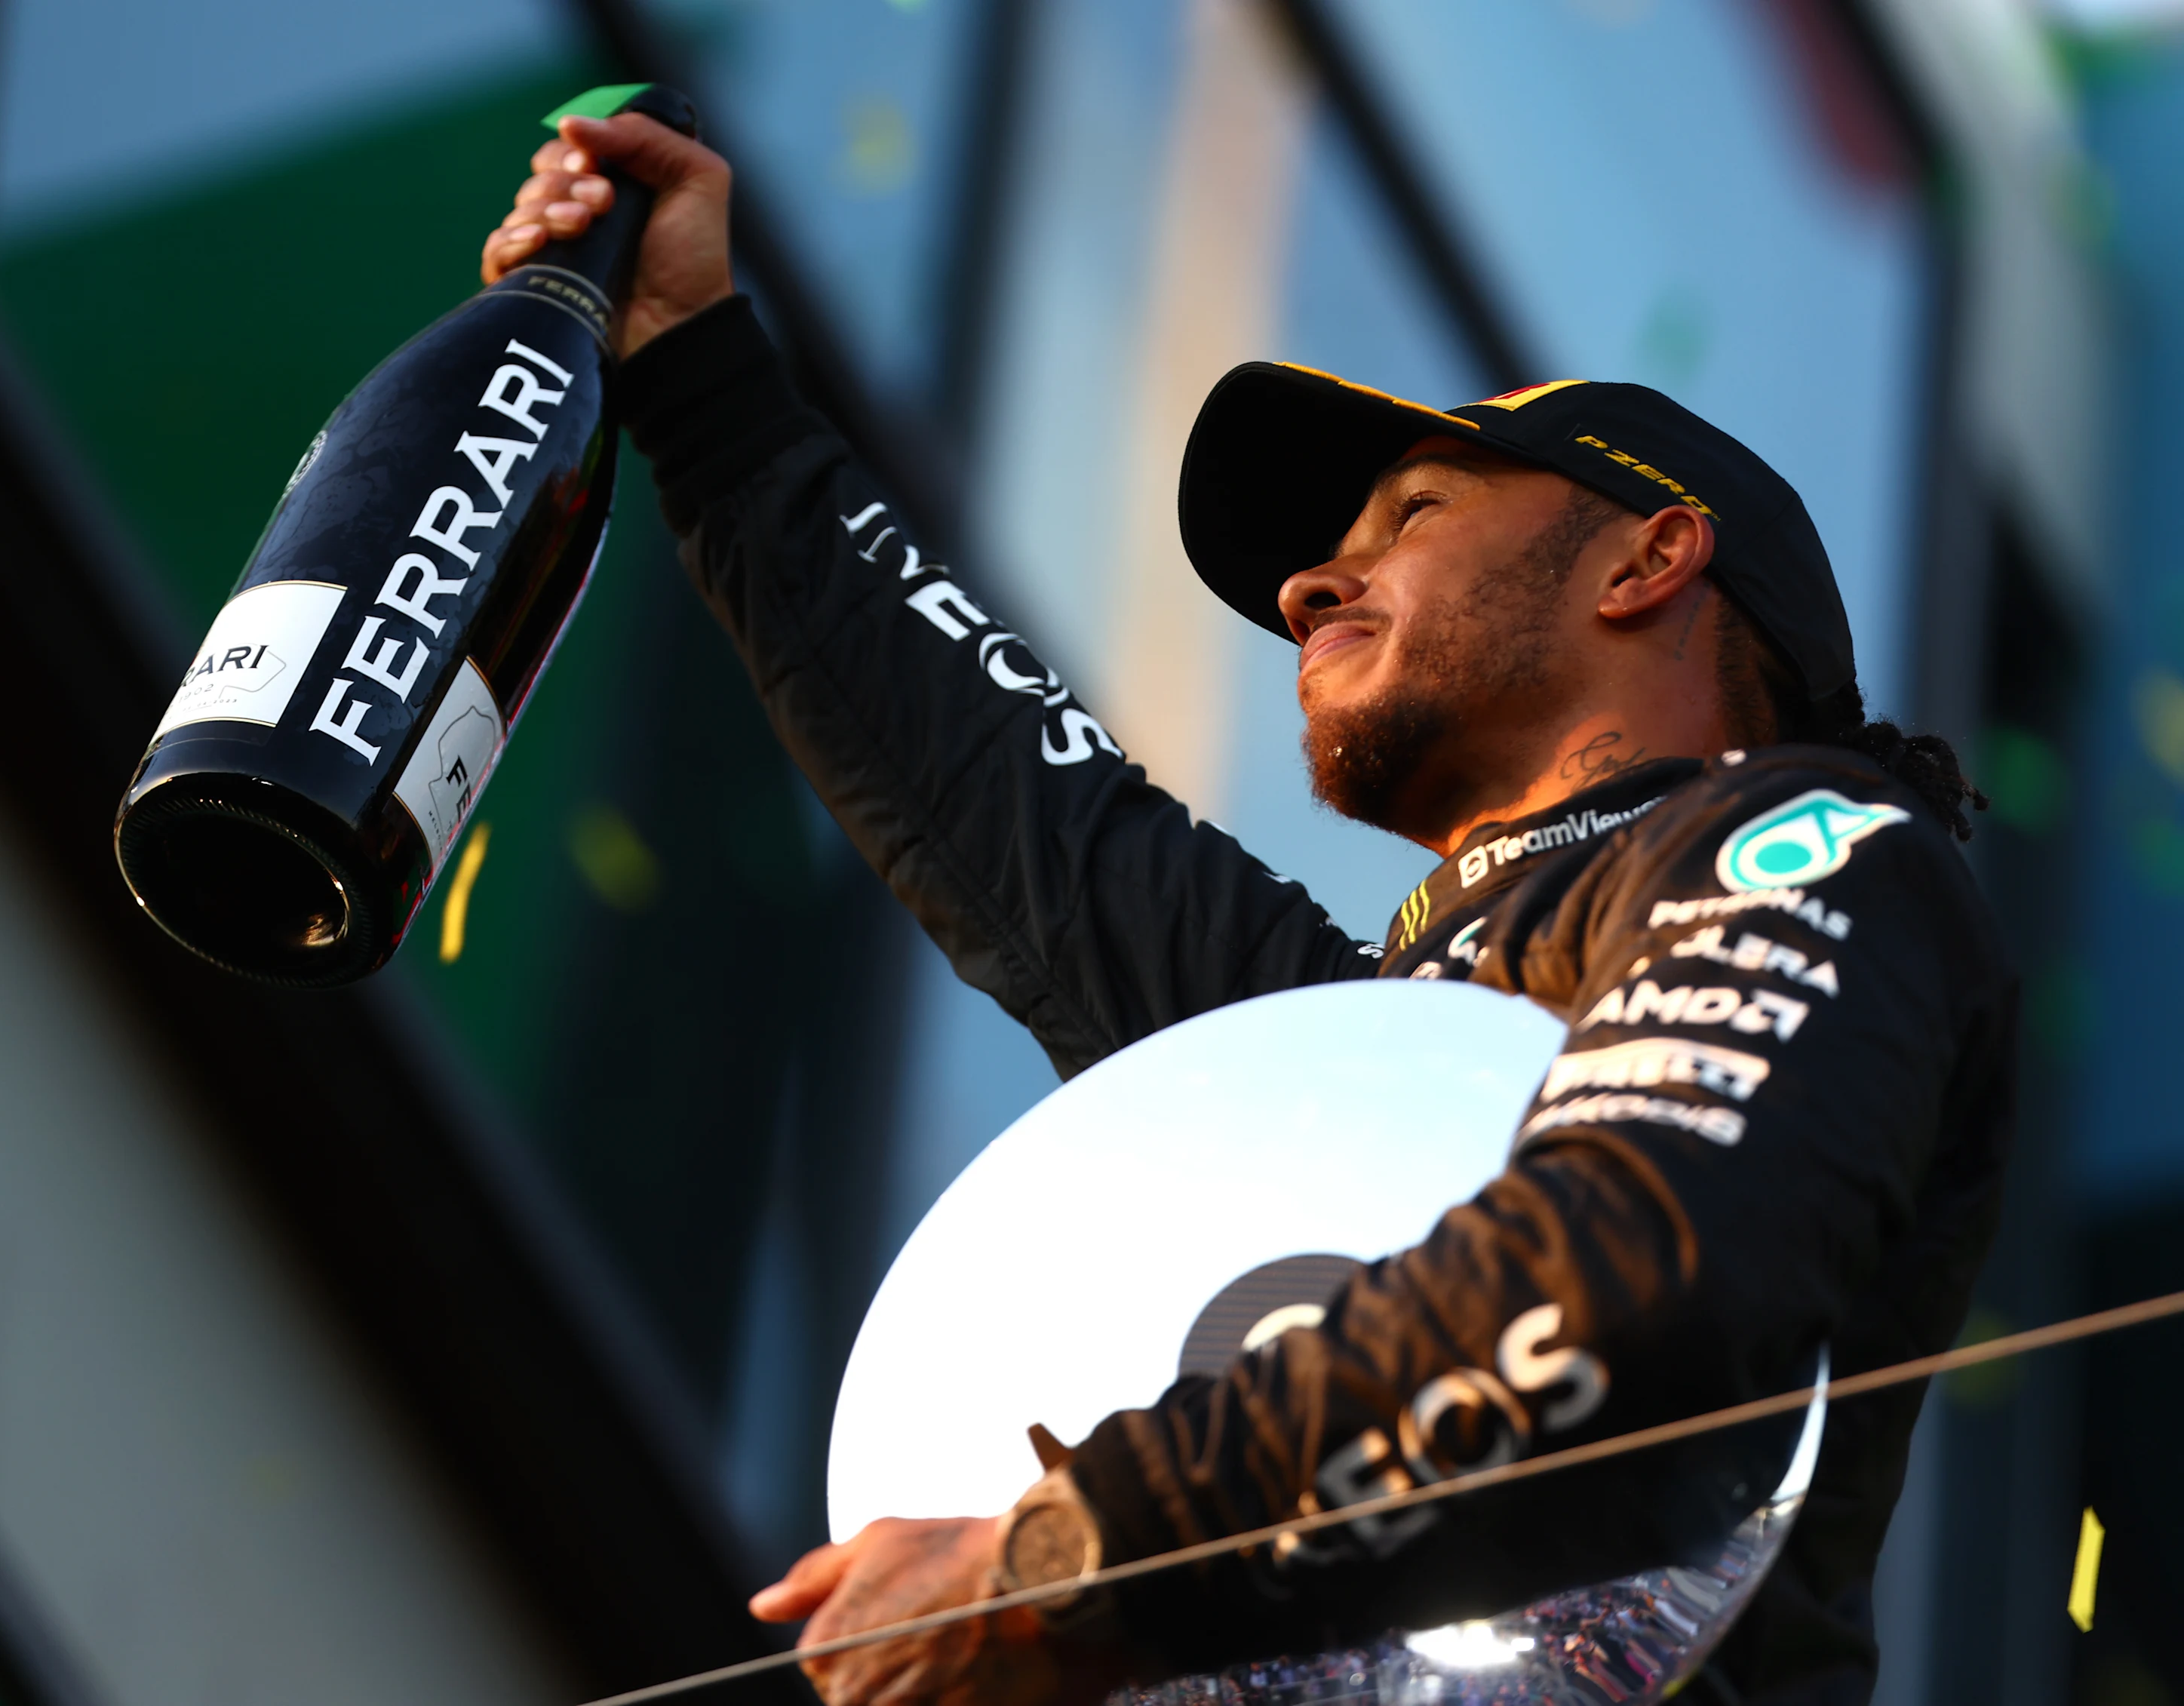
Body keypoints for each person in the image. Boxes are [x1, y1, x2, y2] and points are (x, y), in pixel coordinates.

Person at [481, 112, 2013, 1706]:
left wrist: (1062, 1560)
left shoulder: (1822, 852)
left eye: (1413, 514)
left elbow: (1646, 1281)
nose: (1306, 587)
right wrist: (698, 375)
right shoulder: (1352, 1042)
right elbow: (1005, 796)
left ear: (1648, 559)